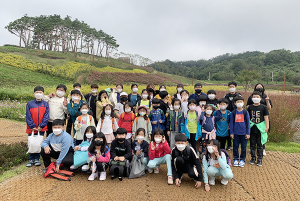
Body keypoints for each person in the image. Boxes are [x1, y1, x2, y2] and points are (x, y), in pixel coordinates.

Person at [26, 86, 49, 167]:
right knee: (31, 143)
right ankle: (31, 159)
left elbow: (46, 116)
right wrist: (32, 126)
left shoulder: (45, 104)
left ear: (43, 94)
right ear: (34, 94)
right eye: (37, 92)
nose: (38, 94)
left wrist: (41, 126)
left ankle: (37, 159)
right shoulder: (29, 104)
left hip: (41, 128)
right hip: (31, 128)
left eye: (40, 92)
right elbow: (28, 116)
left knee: (39, 143)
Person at [246, 83, 272, 156]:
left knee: (261, 136)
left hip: (261, 121)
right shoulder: (251, 97)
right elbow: (247, 107)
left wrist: (267, 101)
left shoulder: (265, 97)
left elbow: (269, 110)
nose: (259, 88)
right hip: (253, 121)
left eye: (261, 87)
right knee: (253, 138)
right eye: (258, 86)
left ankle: (262, 150)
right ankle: (253, 152)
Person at [247, 91, 269, 166]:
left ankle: (260, 159)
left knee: (260, 145)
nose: (255, 98)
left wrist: (267, 127)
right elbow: (248, 118)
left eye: (257, 97)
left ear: (260, 98)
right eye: (254, 97)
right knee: (252, 144)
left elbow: (266, 117)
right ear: (252, 98)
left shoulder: (264, 107)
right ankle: (253, 158)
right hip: (252, 128)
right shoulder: (250, 107)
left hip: (261, 128)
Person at [230, 96, 250, 168]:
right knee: (235, 147)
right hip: (235, 133)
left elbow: (248, 123)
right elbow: (231, 123)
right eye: (238, 102)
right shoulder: (233, 112)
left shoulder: (245, 112)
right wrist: (231, 132)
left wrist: (248, 133)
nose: (239, 103)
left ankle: (242, 159)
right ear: (235, 103)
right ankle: (235, 158)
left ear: (243, 103)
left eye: (241, 102)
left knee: (243, 147)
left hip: (244, 133)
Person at [224, 81, 242, 150]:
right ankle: (229, 144)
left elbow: (241, 103)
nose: (232, 88)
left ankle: (236, 144)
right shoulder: (226, 96)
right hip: (228, 114)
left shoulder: (238, 95)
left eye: (233, 87)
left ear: (235, 87)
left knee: (236, 128)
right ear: (228, 88)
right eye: (230, 87)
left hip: (237, 113)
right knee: (229, 129)